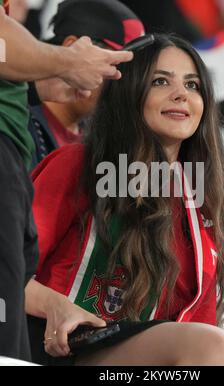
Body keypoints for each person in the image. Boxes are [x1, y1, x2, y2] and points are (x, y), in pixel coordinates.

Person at [26, 33, 224, 366]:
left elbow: (192, 329)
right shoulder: (78, 167)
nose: (181, 95)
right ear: (130, 94)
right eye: (160, 81)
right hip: (46, 346)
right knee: (212, 347)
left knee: (212, 346)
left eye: (193, 85)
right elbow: (7, 271)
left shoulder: (199, 209)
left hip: (123, 364)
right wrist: (55, 305)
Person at [0, 0, 133, 361]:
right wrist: (68, 62)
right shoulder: (42, 140)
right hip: (47, 330)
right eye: (117, 64)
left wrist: (31, 85)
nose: (126, 83)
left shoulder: (110, 147)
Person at [28, 0, 145, 167]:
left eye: (134, 72)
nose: (125, 81)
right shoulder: (14, 115)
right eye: (116, 65)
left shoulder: (103, 137)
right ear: (71, 48)